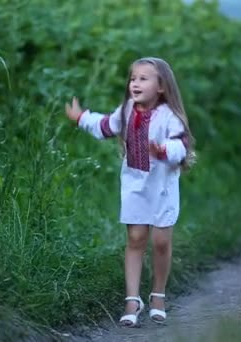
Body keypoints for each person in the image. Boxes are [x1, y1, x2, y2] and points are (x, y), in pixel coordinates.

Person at [65, 57, 196, 327]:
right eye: (133, 78)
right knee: (136, 238)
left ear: (161, 86)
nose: (135, 83)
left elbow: (180, 145)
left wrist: (164, 150)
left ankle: (158, 295)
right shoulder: (126, 110)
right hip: (135, 185)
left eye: (143, 79)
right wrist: (81, 118)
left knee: (160, 241)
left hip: (162, 188)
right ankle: (132, 299)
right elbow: (106, 126)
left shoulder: (169, 117)